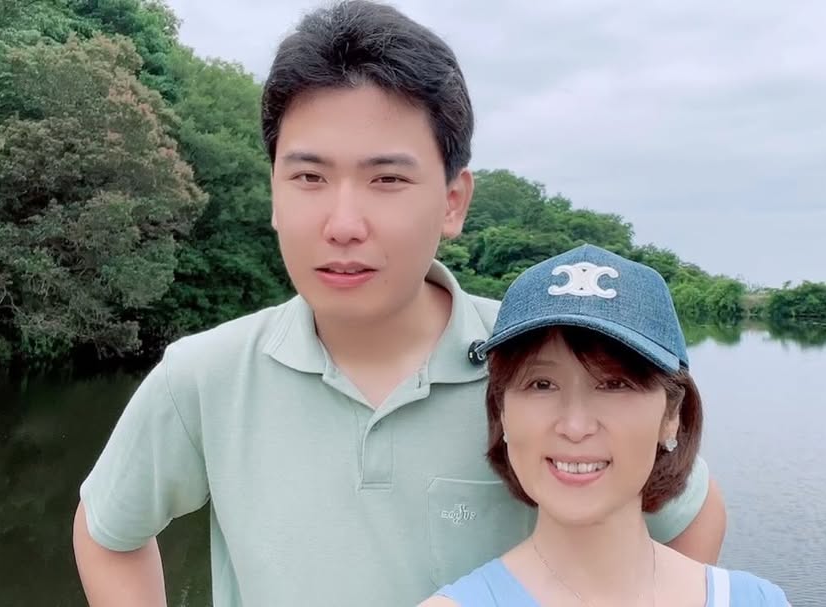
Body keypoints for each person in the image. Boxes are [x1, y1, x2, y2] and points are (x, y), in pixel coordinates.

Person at [70, 2, 727, 605]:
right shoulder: (205, 375)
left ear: (453, 201)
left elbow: (690, 518)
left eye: (387, 179)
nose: (342, 224)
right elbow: (108, 532)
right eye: (308, 177)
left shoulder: (537, 362)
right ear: (273, 192)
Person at [422, 244, 790, 606]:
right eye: (541, 384)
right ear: (501, 410)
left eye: (615, 384)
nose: (575, 426)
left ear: (672, 415)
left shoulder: (755, 600)